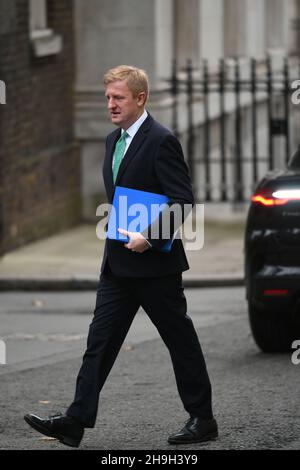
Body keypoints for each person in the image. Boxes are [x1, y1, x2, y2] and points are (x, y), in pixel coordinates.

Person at [24, 65, 218, 447]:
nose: (110, 104)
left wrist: (149, 236)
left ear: (140, 98)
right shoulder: (112, 140)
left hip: (155, 266)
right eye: (108, 97)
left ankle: (203, 418)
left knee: (179, 340)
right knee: (99, 342)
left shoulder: (161, 140)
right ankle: (75, 421)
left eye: (119, 98)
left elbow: (183, 201)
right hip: (116, 264)